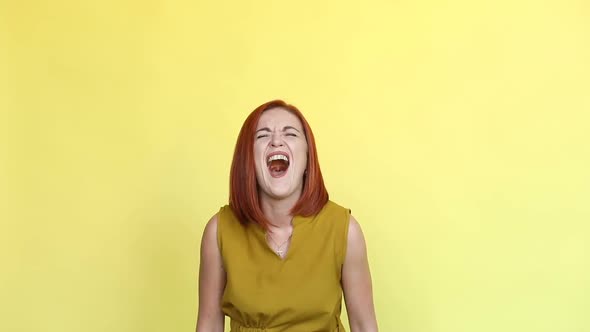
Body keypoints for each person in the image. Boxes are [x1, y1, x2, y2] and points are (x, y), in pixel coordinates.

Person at [196, 100, 378, 332]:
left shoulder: (345, 230)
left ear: (307, 156)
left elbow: (364, 326)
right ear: (248, 159)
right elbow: (209, 325)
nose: (276, 141)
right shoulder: (218, 231)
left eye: (290, 134)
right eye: (262, 136)